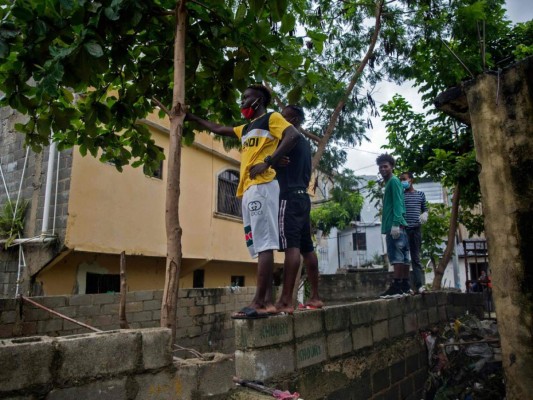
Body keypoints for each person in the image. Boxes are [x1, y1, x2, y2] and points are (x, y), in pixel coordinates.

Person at [185, 84, 301, 319]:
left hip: (263, 186)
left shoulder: (272, 118)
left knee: (264, 244)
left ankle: (261, 302)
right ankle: (266, 301)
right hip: (248, 188)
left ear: (259, 100)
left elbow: (293, 135)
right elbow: (217, 128)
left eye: (246, 98)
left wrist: (268, 161)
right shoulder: (246, 128)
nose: (243, 102)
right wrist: (191, 117)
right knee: (258, 245)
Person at [274, 105, 323, 314]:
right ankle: (315, 297)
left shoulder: (290, 139)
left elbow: (274, 162)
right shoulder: (303, 143)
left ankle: (285, 300)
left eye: (283, 116)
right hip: (303, 198)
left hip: (289, 196)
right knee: (307, 249)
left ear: (293, 119)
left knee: (291, 247)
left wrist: (272, 160)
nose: (280, 120)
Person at [376, 154, 411, 298]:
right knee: (402, 257)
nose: (383, 169)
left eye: (386, 166)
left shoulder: (394, 181)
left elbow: (398, 203)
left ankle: (397, 286)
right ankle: (404, 286)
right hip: (396, 226)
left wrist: (396, 223)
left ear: (391, 167)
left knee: (397, 257)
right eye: (381, 166)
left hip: (395, 226)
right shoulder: (392, 182)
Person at [400, 171, 428, 294]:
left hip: (416, 230)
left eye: (404, 179)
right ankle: (406, 286)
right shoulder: (401, 195)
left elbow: (425, 209)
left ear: (411, 180)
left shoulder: (421, 194)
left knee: (416, 259)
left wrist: (425, 214)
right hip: (404, 230)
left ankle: (419, 285)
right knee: (405, 259)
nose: (403, 182)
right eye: (401, 180)